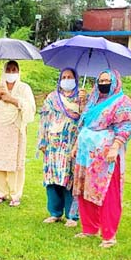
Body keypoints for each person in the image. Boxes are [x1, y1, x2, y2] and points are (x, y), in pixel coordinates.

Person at [73, 69, 131, 248]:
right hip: (86, 153)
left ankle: (109, 235)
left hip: (106, 154)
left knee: (107, 191)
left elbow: (126, 126)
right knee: (85, 187)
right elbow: (84, 124)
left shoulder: (123, 102)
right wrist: (77, 145)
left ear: (115, 82)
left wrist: (115, 147)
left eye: (107, 80)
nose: (103, 83)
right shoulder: (93, 100)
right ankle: (89, 228)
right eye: (101, 80)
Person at [36, 68, 84, 227]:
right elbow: (44, 118)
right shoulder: (52, 97)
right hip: (52, 145)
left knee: (69, 179)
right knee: (52, 179)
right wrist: (42, 141)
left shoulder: (81, 97)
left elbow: (86, 119)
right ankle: (55, 213)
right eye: (64, 77)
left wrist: (83, 103)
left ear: (76, 79)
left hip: (71, 145)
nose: (66, 79)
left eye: (70, 77)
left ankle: (72, 215)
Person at [0, 60, 36, 207]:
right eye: (9, 70)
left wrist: (12, 99)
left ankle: (15, 195)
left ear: (18, 72)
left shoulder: (24, 88)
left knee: (14, 162)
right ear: (4, 71)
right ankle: (0, 193)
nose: (11, 73)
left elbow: (31, 107)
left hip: (15, 128)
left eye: (14, 70)